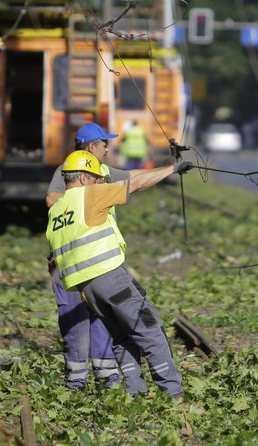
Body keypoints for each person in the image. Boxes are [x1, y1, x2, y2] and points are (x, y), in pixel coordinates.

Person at [47, 151, 194, 398]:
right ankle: (174, 395)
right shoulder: (90, 195)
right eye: (96, 178)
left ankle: (134, 393)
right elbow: (134, 183)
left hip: (87, 290)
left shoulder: (58, 211)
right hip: (110, 279)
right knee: (151, 331)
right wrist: (172, 169)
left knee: (122, 337)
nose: (99, 182)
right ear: (83, 179)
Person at [44, 122, 128, 391]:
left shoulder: (105, 171)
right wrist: (87, 200)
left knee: (103, 317)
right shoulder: (69, 169)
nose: (108, 149)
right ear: (91, 146)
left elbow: (134, 178)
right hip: (71, 259)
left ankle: (108, 378)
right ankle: (76, 379)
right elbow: (52, 198)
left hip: (98, 257)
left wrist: (170, 169)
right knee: (75, 317)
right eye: (105, 144)